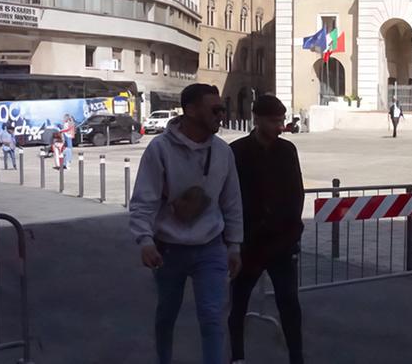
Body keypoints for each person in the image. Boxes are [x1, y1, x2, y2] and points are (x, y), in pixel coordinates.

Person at [129, 83, 243, 364]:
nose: (221, 114)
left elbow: (231, 201)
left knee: (212, 317)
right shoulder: (160, 149)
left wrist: (235, 245)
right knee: (166, 314)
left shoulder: (222, 152)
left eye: (222, 108)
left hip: (211, 247)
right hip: (168, 249)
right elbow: (144, 198)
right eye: (214, 109)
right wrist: (144, 240)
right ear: (190, 110)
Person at [228, 95, 305, 364]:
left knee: (289, 304)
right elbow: (231, 197)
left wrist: (293, 232)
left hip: (281, 243)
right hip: (249, 244)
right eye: (273, 121)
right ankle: (237, 356)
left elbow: (296, 194)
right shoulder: (237, 151)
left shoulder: (287, 151)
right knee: (238, 304)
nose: (279, 126)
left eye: (281, 120)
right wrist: (236, 239)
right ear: (256, 119)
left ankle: (297, 357)